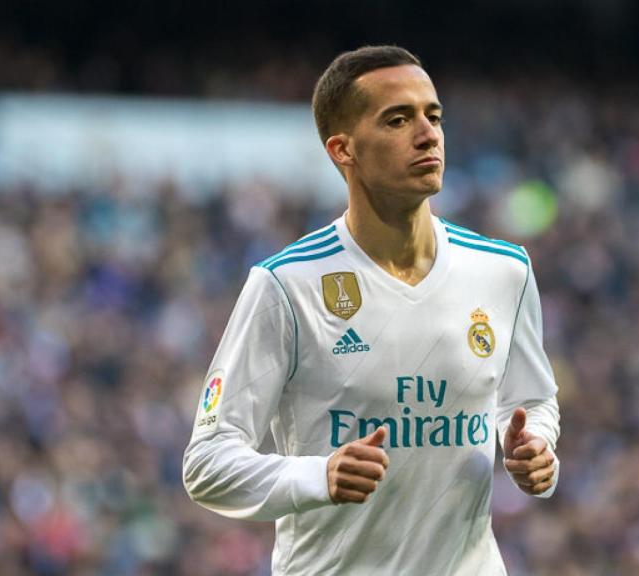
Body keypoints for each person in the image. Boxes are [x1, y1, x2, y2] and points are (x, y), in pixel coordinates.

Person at [182, 45, 561, 575]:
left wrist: (535, 447)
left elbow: (532, 400)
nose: (427, 135)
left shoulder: (503, 270)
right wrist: (318, 477)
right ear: (344, 150)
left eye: (433, 116)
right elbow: (207, 462)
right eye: (398, 120)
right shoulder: (287, 285)